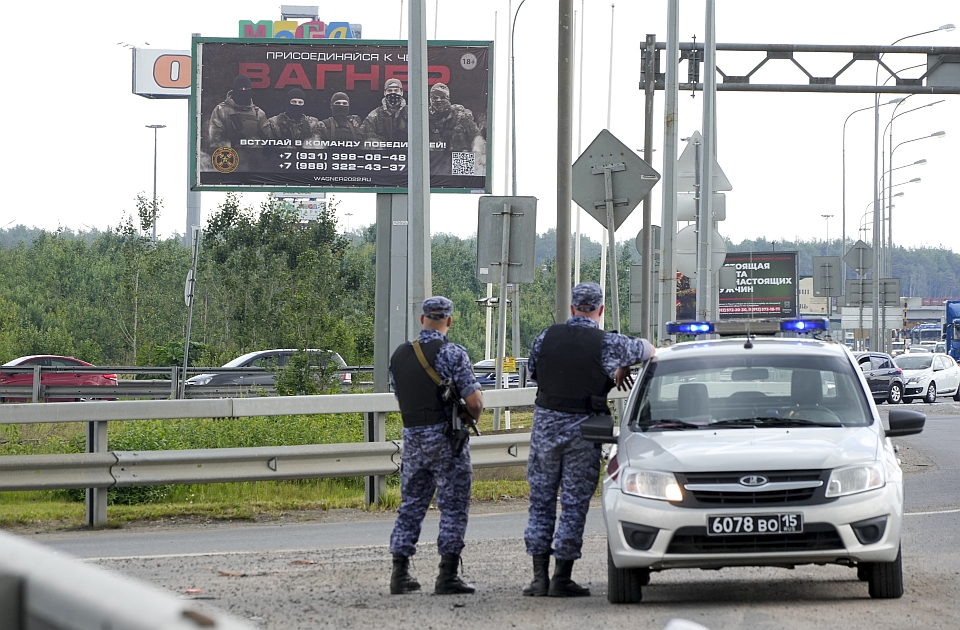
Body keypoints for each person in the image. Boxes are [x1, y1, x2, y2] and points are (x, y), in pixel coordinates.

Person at [522, 282, 656, 597]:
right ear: (601, 310)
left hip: (544, 427)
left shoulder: (545, 336)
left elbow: (533, 373)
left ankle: (538, 578)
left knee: (540, 502)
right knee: (573, 503)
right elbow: (649, 350)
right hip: (583, 430)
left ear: (571, 308)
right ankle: (562, 578)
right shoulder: (607, 343)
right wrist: (622, 365)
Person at [388, 296, 484, 596]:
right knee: (454, 507)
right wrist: (470, 415)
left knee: (411, 505)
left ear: (422, 319)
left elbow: (401, 400)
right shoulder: (453, 353)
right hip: (446, 440)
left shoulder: (400, 355)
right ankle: (447, 575)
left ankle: (400, 573)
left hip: (413, 439)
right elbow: (475, 402)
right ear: (449, 321)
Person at [428, 82, 483, 175]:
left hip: (460, 158)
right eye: (435, 98)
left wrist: (477, 151)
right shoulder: (424, 116)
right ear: (430, 99)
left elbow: (476, 136)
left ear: (448, 98)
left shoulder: (461, 115)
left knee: (464, 186)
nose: (438, 100)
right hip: (434, 162)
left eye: (442, 97)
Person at [207, 74, 267, 149]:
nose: (243, 90)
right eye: (240, 88)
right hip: (228, 157)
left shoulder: (258, 113)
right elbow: (214, 140)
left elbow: (266, 142)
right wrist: (233, 146)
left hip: (254, 158)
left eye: (246, 88)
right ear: (234, 90)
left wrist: (252, 143)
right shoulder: (221, 110)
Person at [360, 78, 408, 144]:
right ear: (385, 93)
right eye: (390, 91)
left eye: (396, 90)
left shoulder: (410, 113)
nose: (393, 93)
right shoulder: (375, 114)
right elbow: (364, 135)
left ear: (401, 92)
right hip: (383, 152)